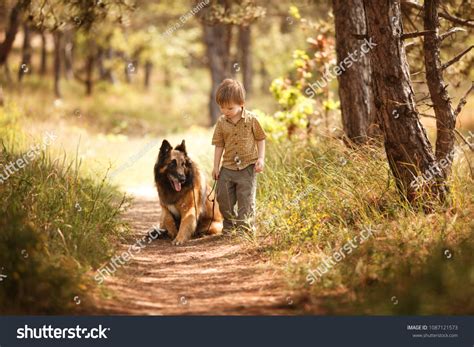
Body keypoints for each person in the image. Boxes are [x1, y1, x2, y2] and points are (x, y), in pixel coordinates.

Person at [211, 79, 266, 233]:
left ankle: (245, 229)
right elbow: (219, 145)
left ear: (241, 103)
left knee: (246, 199)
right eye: (222, 107)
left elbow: (260, 139)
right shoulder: (221, 123)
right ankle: (229, 226)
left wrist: (261, 158)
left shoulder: (252, 119)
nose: (225, 111)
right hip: (227, 167)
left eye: (230, 108)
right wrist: (216, 166)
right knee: (224, 198)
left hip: (247, 166)